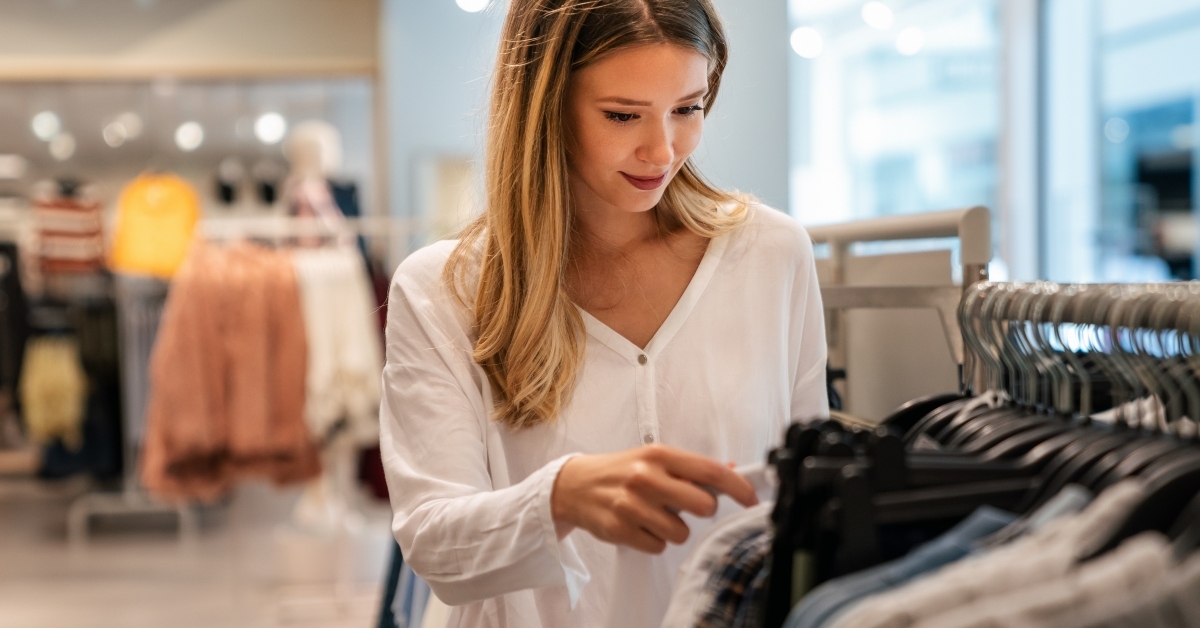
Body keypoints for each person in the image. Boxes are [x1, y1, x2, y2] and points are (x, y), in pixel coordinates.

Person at [378, 0, 829, 626]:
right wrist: (556, 500)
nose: (662, 149)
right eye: (622, 115)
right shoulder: (443, 289)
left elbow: (807, 493)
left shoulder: (772, 255)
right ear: (546, 105)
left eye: (688, 108)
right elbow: (433, 543)